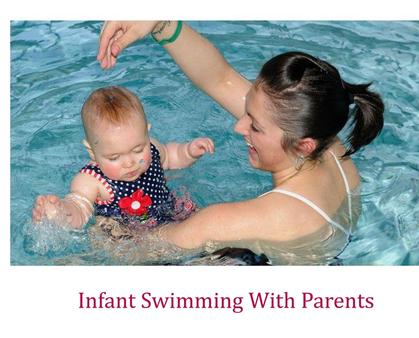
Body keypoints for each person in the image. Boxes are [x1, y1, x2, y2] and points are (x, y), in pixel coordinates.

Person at [96, 21, 384, 264]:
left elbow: (133, 249)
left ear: (303, 145)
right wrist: (160, 23)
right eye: (247, 110)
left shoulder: (251, 218)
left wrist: (101, 220)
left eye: (255, 126)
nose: (238, 126)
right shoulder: (331, 143)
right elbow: (222, 80)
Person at [32, 86, 214, 231]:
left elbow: (172, 156)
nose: (129, 162)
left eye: (137, 149)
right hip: (126, 235)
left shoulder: (152, 149)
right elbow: (79, 207)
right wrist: (62, 212)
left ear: (147, 134)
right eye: (114, 157)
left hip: (169, 213)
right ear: (92, 152)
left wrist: (189, 151)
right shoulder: (90, 180)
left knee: (206, 225)